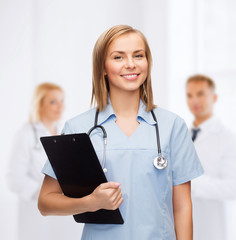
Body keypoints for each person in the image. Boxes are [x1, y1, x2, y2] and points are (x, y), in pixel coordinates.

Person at [38, 25, 203, 240]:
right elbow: (45, 202)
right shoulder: (78, 128)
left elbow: (182, 207)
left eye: (138, 55)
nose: (131, 64)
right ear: (103, 67)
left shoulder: (172, 126)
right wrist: (89, 202)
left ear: (148, 62)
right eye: (118, 57)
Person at [6, 83, 82, 240]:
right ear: (39, 104)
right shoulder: (25, 134)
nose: (60, 106)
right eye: (53, 101)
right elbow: (14, 178)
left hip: (64, 212)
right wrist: (45, 194)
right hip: (35, 213)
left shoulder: (66, 133)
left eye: (62, 100)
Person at [186, 74, 236, 240]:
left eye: (200, 94)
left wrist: (190, 183)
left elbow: (235, 187)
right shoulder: (183, 136)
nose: (194, 101)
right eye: (189, 95)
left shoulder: (228, 138)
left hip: (212, 229)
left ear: (214, 97)